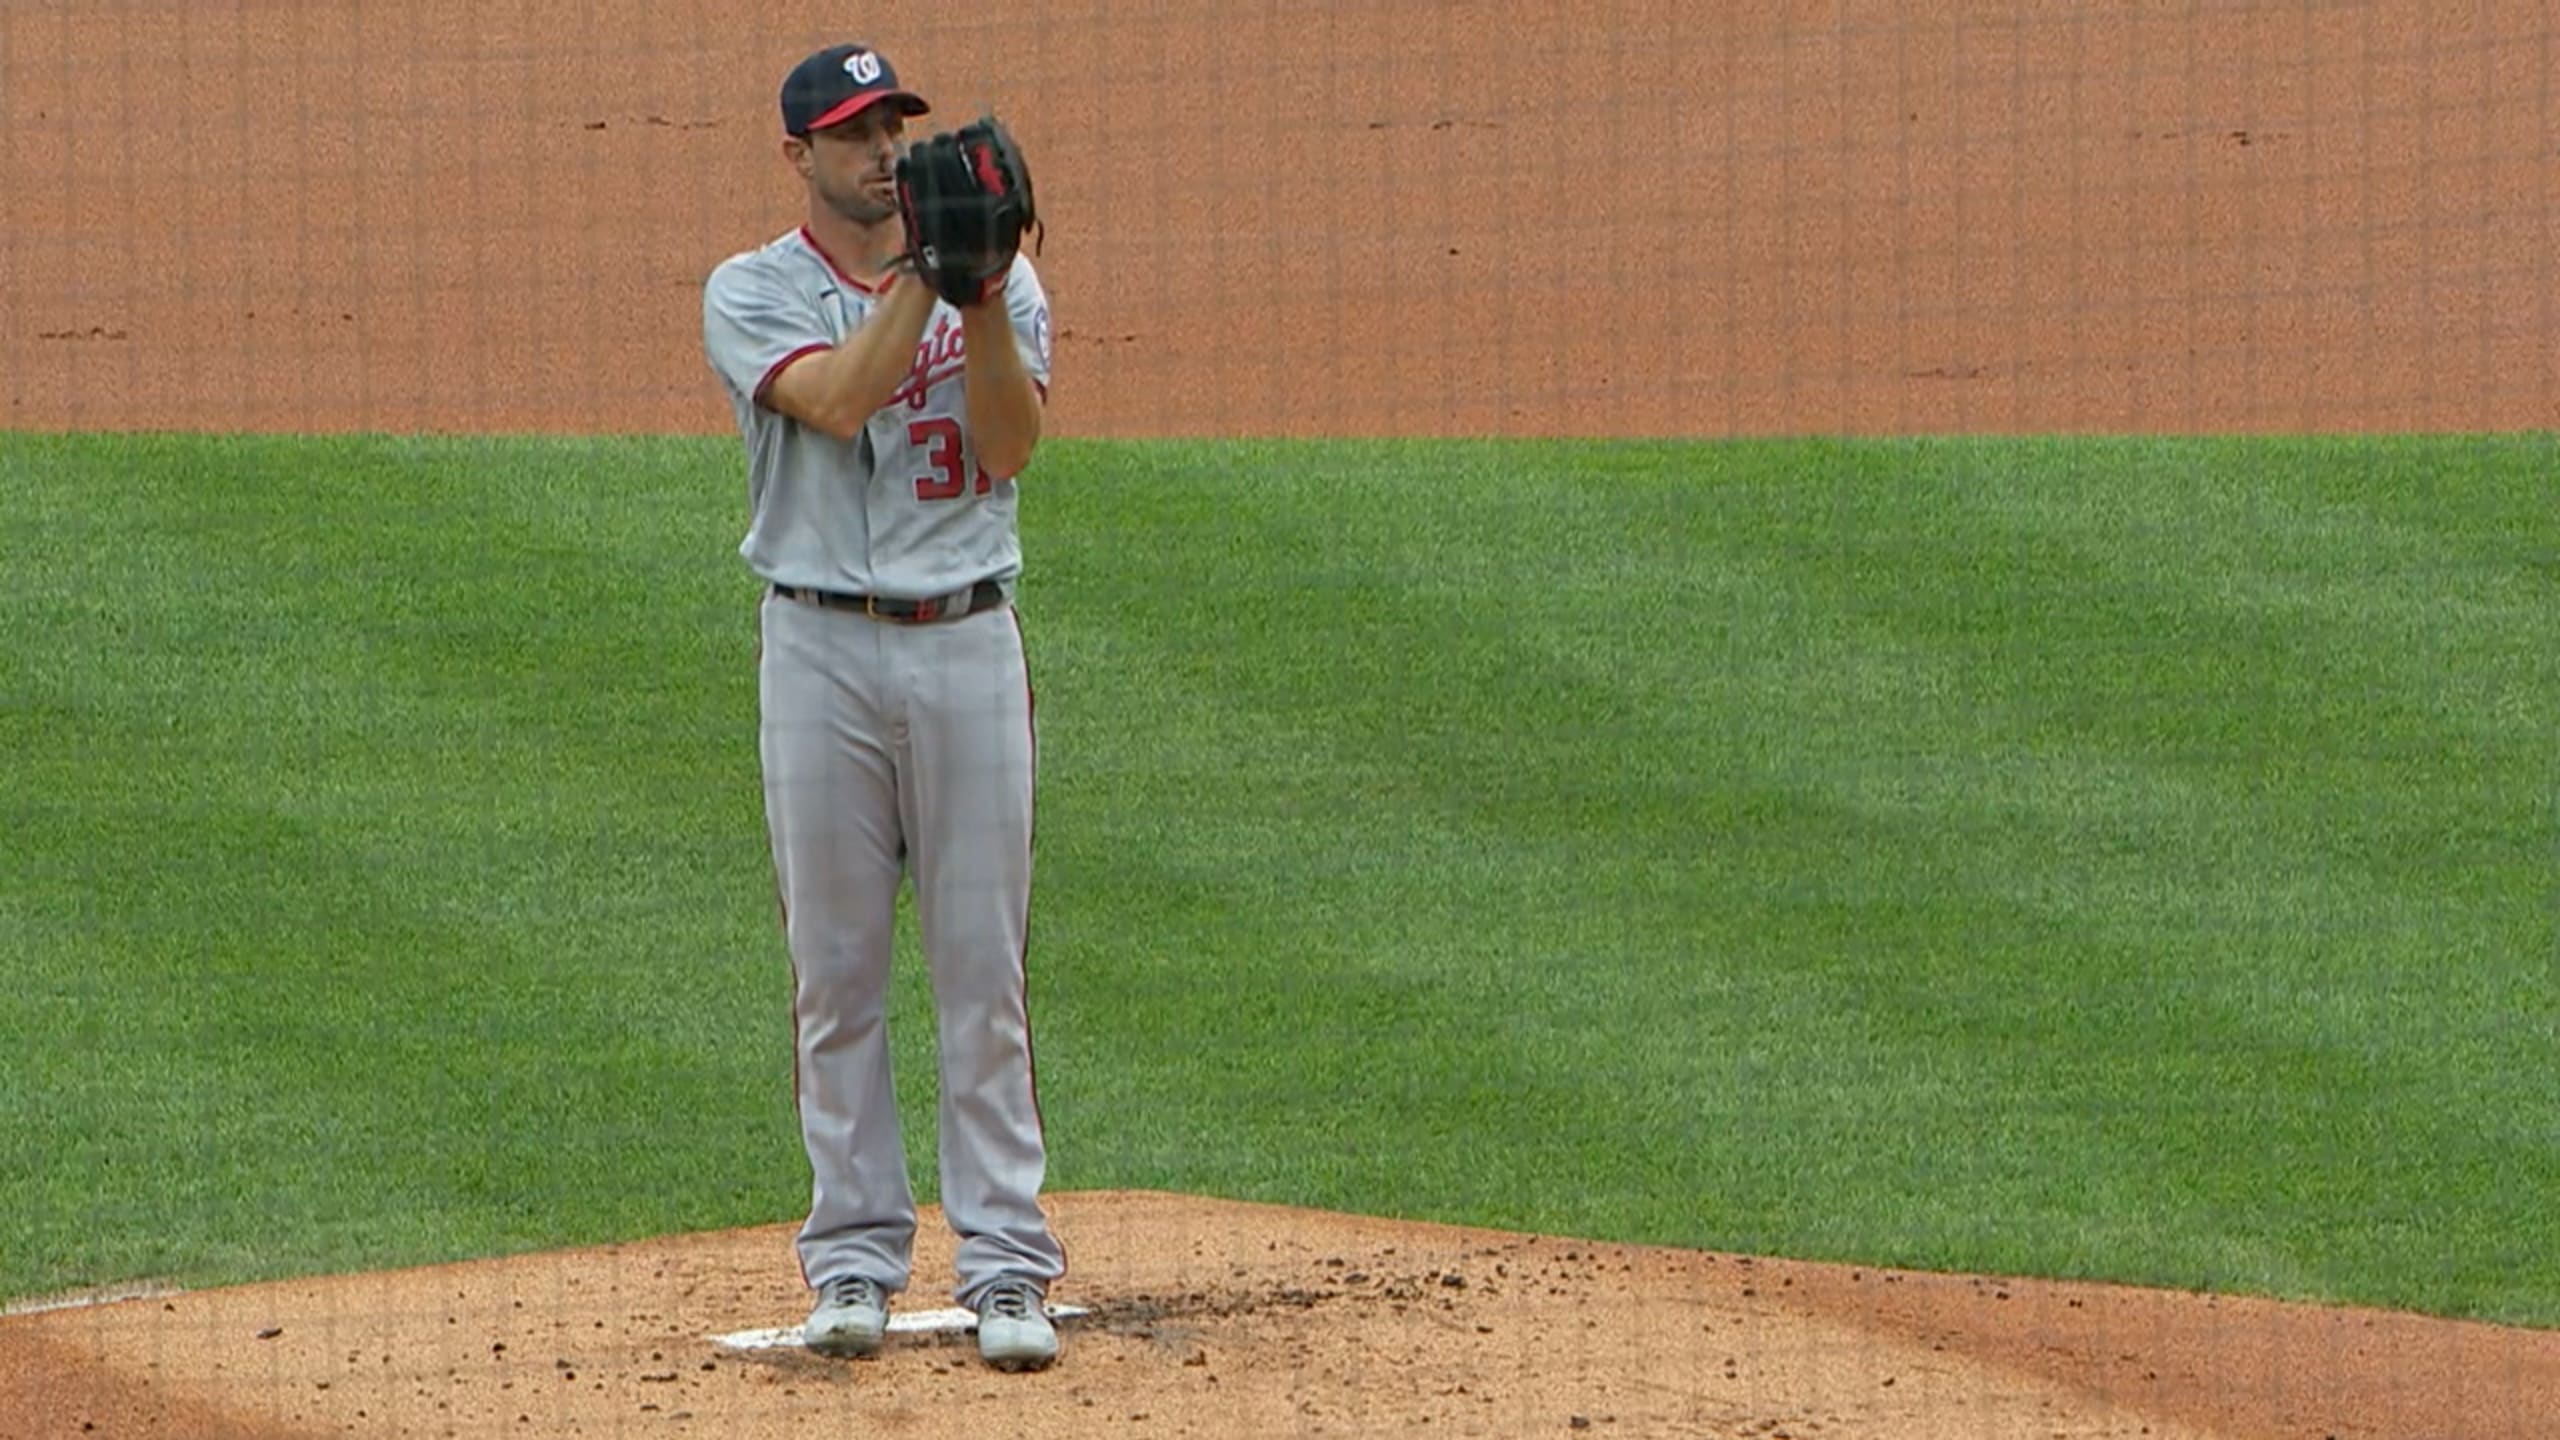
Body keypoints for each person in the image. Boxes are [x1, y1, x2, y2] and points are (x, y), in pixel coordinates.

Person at [697, 41, 1066, 1373]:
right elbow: (841, 402)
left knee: (982, 973)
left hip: (966, 645)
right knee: (837, 973)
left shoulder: (1001, 281)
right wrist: (928, 275)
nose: (880, 153)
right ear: (798, 154)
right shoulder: (751, 290)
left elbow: (1010, 447)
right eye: (853, 134)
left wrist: (981, 294)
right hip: (818, 655)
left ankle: (1008, 1267)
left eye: (890, 130)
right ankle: (852, 1256)